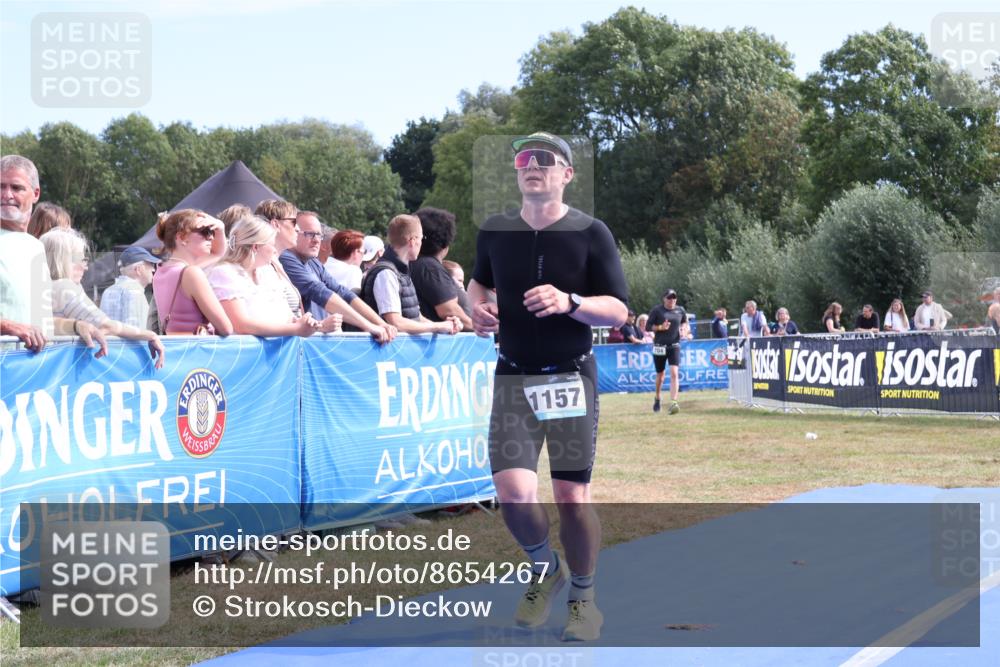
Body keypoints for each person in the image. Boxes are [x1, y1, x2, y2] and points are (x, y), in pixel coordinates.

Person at [469, 131, 628, 642]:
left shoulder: (591, 232)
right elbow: (479, 284)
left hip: (569, 375)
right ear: (516, 173)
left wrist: (570, 302)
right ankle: (546, 569)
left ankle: (584, 598)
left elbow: (619, 309)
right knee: (513, 495)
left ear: (567, 174)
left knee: (571, 498)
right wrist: (479, 309)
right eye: (523, 158)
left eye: (546, 159)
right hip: (513, 374)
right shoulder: (495, 230)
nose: (532, 165)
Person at [1, 154, 107, 356]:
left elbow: (39, 319)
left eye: (16, 188)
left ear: (35, 193)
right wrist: (9, 327)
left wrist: (77, 326)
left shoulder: (35, 247)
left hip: (34, 373)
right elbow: (20, 325)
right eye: (1, 186)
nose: (7, 194)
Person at [41, 228, 164, 368]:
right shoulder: (65, 287)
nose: (85, 267)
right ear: (64, 260)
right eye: (81, 260)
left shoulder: (39, 289)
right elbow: (106, 325)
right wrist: (150, 335)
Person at [279, 210, 397, 343]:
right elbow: (319, 291)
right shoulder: (286, 258)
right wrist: (369, 326)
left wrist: (381, 324)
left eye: (319, 235)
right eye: (309, 234)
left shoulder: (312, 261)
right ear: (295, 232)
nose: (317, 240)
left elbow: (343, 293)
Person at [206, 216, 330, 336]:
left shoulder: (267, 272)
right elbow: (241, 325)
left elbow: (288, 318)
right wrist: (295, 329)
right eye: (272, 245)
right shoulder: (224, 272)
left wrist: (314, 325)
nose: (275, 251)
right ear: (256, 247)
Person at [360, 214, 461, 335]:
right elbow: (396, 323)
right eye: (421, 238)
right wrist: (438, 326)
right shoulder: (386, 274)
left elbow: (414, 316)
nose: (421, 243)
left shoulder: (400, 271)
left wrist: (446, 326)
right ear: (412, 241)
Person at [152, 209, 234, 336]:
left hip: (176, 349)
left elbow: (217, 253)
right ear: (182, 237)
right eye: (205, 232)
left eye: (212, 232)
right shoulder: (191, 273)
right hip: (196, 350)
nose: (211, 237)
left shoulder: (161, 270)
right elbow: (226, 329)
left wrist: (220, 229)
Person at [411, 207, 474, 330]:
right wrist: (480, 328)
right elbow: (448, 310)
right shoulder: (430, 268)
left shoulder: (413, 264)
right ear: (445, 244)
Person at [99, 245, 161, 329]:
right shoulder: (135, 291)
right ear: (138, 269)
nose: (153, 269)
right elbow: (138, 332)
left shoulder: (108, 291)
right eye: (150, 264)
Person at [648, 290, 687, 414]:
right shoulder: (657, 310)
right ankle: (658, 397)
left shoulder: (680, 310)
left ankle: (674, 402)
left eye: (674, 298)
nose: (672, 300)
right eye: (669, 298)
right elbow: (648, 327)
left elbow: (685, 322)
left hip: (674, 346)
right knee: (661, 375)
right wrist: (660, 327)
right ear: (664, 299)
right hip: (659, 346)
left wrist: (684, 330)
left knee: (674, 373)